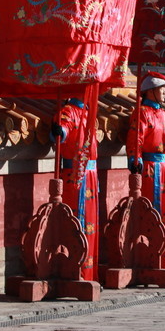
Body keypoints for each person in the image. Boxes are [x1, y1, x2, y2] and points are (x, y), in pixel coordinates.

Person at [127, 71, 165, 268]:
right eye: (161, 89)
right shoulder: (141, 113)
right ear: (150, 91)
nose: (164, 93)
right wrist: (135, 158)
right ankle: (147, 256)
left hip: (164, 168)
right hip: (149, 169)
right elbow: (135, 138)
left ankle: (164, 258)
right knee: (150, 210)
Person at [53, 93, 99, 281]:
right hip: (76, 175)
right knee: (77, 221)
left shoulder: (88, 112)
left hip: (91, 174)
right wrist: (59, 131)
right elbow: (61, 131)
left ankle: (89, 274)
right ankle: (76, 272)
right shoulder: (68, 111)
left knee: (91, 223)